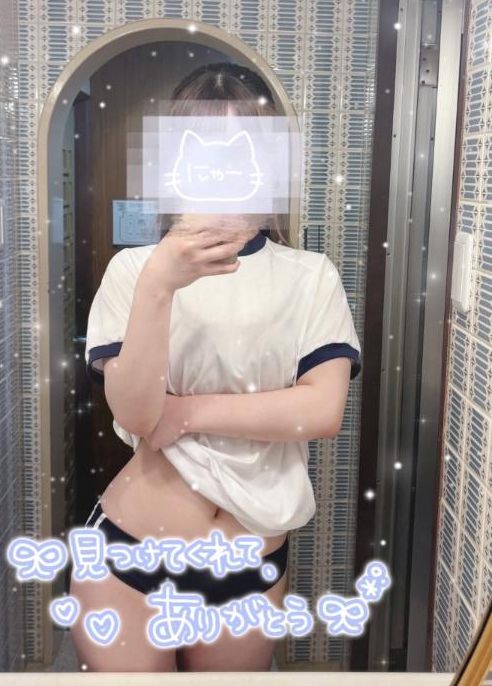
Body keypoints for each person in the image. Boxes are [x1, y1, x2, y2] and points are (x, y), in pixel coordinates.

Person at [69, 62, 362, 672]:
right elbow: (137, 415)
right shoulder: (134, 271)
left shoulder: (310, 276)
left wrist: (188, 413)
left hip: (247, 569)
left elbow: (321, 410)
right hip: (130, 556)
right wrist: (159, 284)